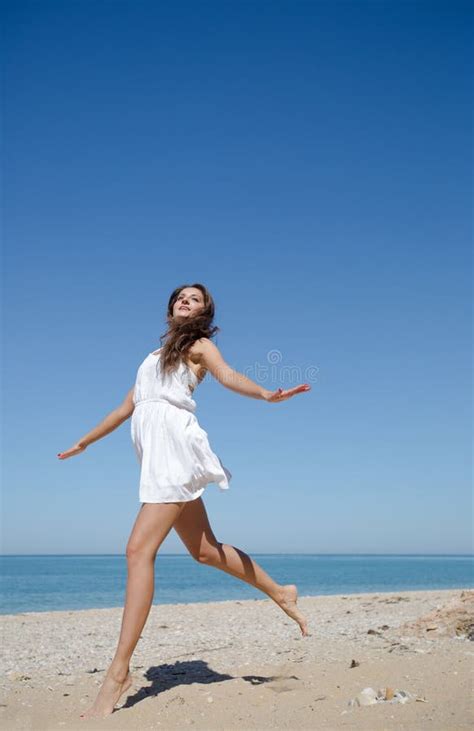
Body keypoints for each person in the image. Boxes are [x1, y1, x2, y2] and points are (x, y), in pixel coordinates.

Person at [57, 283, 311, 719]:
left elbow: (228, 375)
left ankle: (118, 672)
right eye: (180, 298)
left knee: (138, 550)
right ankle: (280, 591)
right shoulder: (151, 359)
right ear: (170, 308)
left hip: (176, 449)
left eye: (194, 299)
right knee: (204, 550)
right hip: (154, 455)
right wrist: (85, 441)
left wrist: (267, 395)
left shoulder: (200, 345)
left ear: (204, 312)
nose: (185, 302)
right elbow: (125, 409)